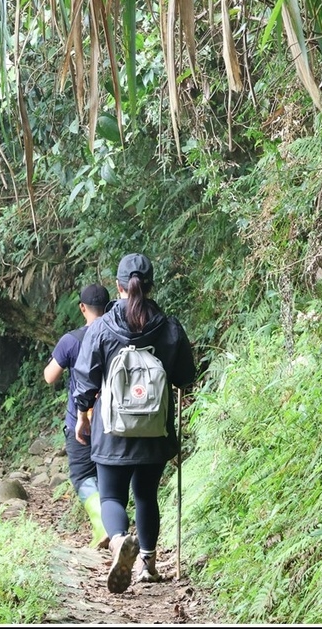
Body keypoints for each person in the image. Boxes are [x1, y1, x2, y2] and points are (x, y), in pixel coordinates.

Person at [72, 253, 196, 594]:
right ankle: (147, 564)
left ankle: (117, 544)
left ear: (118, 286)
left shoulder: (101, 328)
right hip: (155, 431)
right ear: (151, 285)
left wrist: (83, 416)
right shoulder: (169, 327)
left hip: (113, 431)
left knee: (111, 495)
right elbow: (186, 376)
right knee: (146, 495)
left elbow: (85, 380)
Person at [43, 283, 111, 549]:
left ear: (82, 308)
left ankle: (101, 525)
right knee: (109, 473)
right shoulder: (119, 335)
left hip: (80, 421)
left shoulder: (71, 340)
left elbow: (50, 376)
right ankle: (115, 527)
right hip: (114, 419)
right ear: (109, 306)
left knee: (83, 476)